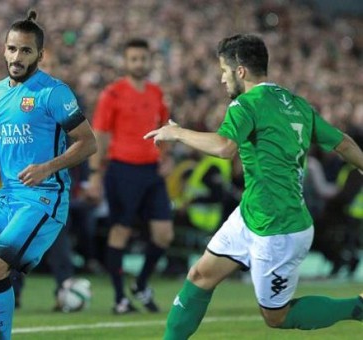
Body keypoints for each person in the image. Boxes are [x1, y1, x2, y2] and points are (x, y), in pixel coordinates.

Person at [144, 34, 363, 339]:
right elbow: (344, 144)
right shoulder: (296, 104)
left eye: (224, 70)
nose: (222, 78)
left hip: (279, 227)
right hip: (250, 214)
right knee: (200, 276)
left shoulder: (245, 104)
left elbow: (224, 147)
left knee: (277, 317)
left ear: (241, 71)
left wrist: (178, 133)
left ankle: (357, 307)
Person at [0, 10, 97, 340]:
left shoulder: (54, 92)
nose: (17, 56)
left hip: (44, 199)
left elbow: (88, 142)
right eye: (12, 48)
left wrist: (48, 167)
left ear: (40, 54)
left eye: (26, 50)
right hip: (8, 196)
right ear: (3, 49)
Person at [86, 38, 174, 314]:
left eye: (143, 58)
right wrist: (95, 174)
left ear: (149, 61)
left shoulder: (157, 93)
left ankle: (141, 283)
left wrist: (166, 157)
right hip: (121, 169)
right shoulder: (112, 94)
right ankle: (119, 298)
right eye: (133, 58)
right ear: (125, 62)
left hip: (151, 171)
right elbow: (100, 135)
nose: (139, 63)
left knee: (164, 234)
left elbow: (164, 127)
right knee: (120, 231)